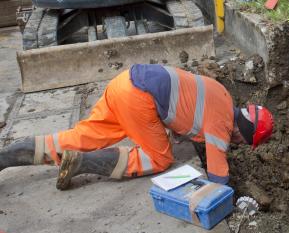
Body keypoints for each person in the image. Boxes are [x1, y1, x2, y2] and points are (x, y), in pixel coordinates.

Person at [0, 64, 273, 190]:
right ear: (244, 133)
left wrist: (176, 130)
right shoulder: (222, 126)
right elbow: (217, 174)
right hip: (140, 98)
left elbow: (185, 98)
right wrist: (227, 197)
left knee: (80, 136)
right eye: (242, 141)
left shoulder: (222, 94)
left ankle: (7, 157)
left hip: (125, 82)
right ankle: (83, 163)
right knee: (161, 157)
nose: (236, 144)